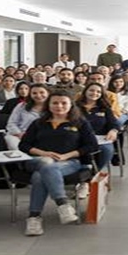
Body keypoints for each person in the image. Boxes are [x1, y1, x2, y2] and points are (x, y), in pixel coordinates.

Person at [19, 92, 98, 236]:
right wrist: (43, 153)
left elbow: (92, 146)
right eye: (54, 103)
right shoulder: (38, 123)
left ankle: (33, 217)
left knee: (39, 176)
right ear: (48, 105)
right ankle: (62, 204)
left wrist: (67, 155)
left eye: (63, 103)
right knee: (46, 163)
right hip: (37, 160)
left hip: (69, 162)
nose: (59, 106)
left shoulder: (80, 122)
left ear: (70, 105)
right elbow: (23, 145)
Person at [76, 82, 119, 172]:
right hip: (79, 138)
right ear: (85, 91)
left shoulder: (105, 108)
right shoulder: (75, 107)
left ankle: (94, 173)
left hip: (100, 139)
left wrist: (113, 130)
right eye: (91, 90)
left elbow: (113, 123)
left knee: (107, 150)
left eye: (98, 92)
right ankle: (84, 171)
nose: (94, 93)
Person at [4, 83, 50, 151]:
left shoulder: (54, 107)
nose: (38, 95)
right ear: (30, 95)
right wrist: (20, 134)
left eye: (42, 92)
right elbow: (11, 123)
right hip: (20, 135)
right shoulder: (21, 106)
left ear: (48, 93)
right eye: (34, 93)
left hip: (43, 137)